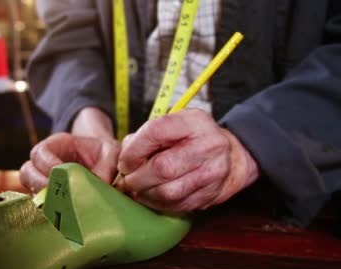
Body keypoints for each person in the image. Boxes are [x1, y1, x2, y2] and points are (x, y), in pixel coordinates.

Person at [20, 0, 341, 227]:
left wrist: (248, 146)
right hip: (130, 197)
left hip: (296, 208)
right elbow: (69, 36)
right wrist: (89, 128)